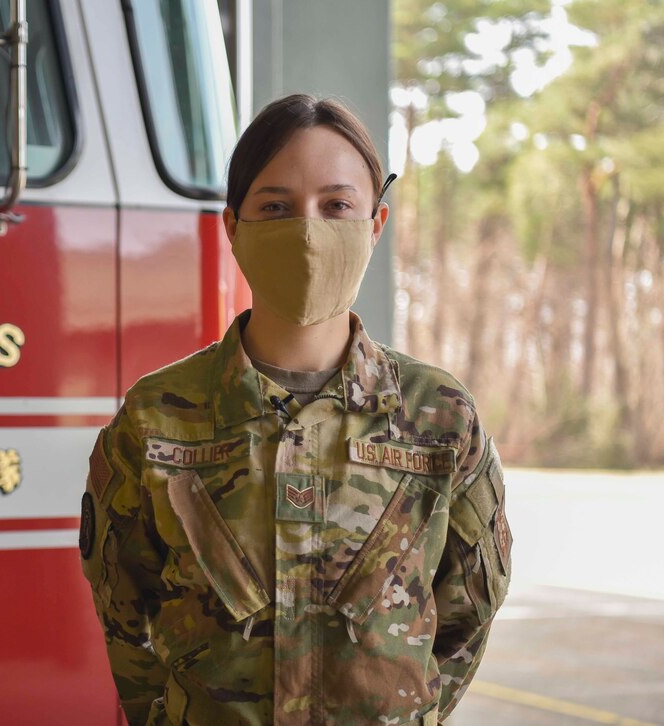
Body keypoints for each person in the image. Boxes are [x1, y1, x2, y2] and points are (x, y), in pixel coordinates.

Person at [78, 94, 512, 725]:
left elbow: (468, 611)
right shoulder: (157, 418)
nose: (308, 231)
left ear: (375, 223)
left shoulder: (438, 417)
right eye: (275, 207)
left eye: (336, 206)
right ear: (233, 227)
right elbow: (124, 610)